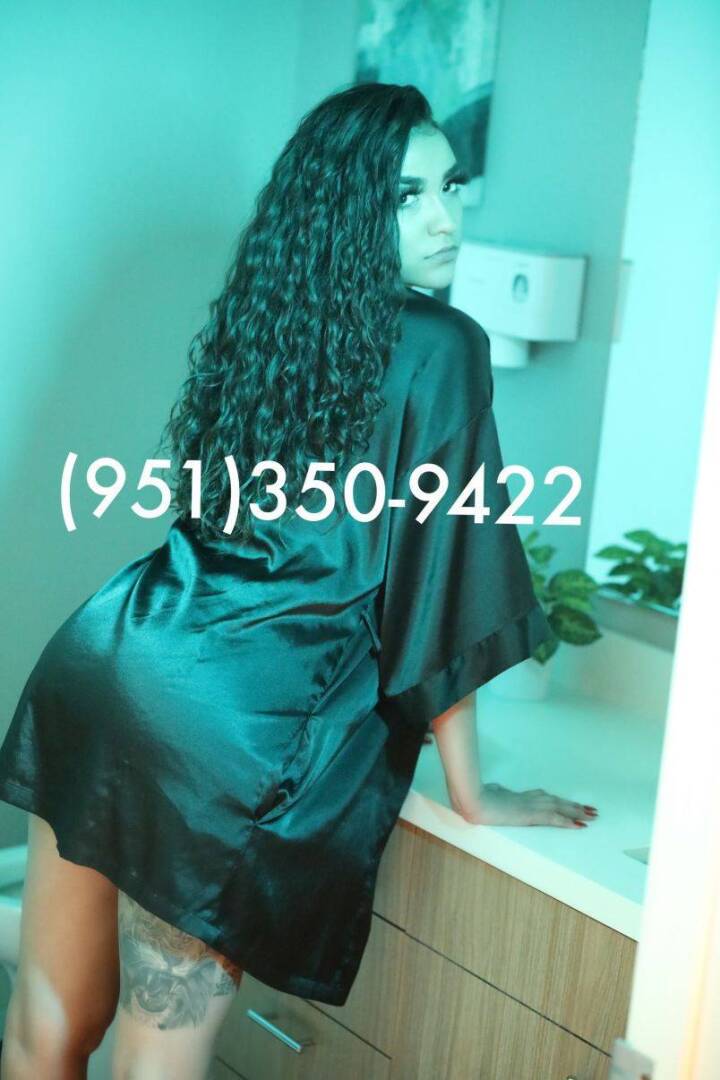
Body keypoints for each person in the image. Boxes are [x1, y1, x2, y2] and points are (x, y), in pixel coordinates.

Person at [0, 82, 598, 1079]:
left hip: (110, 661)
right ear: (349, 207)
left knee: (46, 1029)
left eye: (451, 187)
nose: (445, 219)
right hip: (223, 738)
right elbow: (441, 582)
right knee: (154, 1061)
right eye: (406, 196)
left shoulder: (272, 319)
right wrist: (474, 792)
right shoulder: (442, 344)